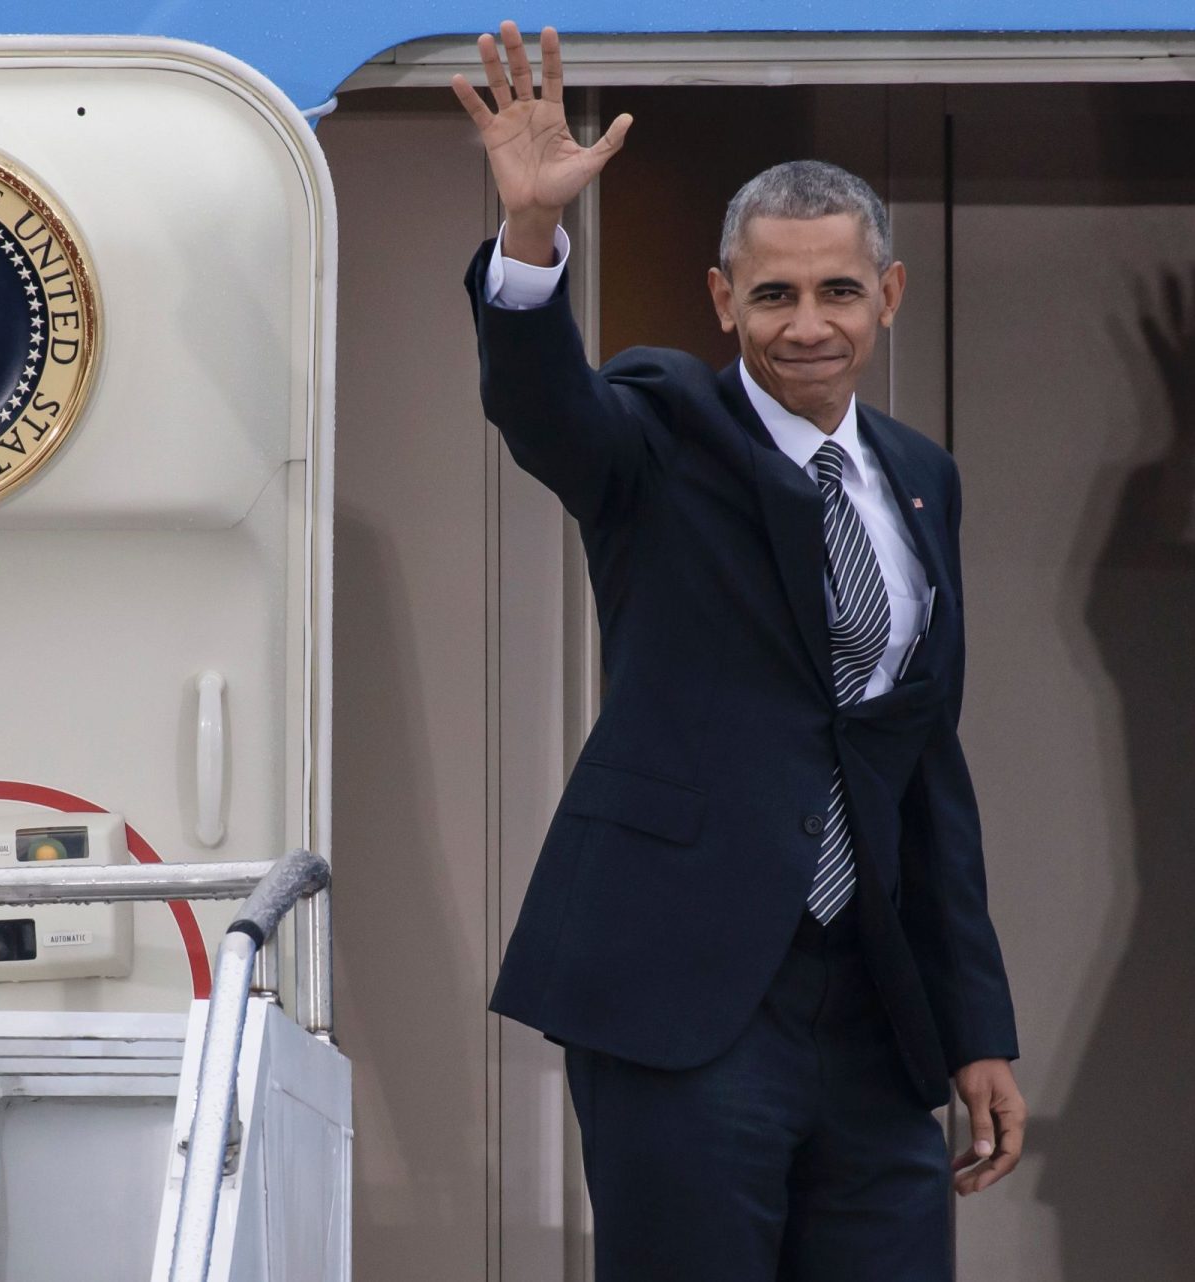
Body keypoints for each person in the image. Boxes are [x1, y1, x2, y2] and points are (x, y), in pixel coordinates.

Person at [452, 22, 1025, 1280]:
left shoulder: (924, 479)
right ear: (725, 299)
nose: (805, 324)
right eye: (772, 294)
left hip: (873, 1009)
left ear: (890, 293)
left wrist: (976, 1025)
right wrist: (534, 237)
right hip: (683, 990)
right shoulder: (661, 429)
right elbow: (547, 411)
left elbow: (922, 767)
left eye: (835, 291)